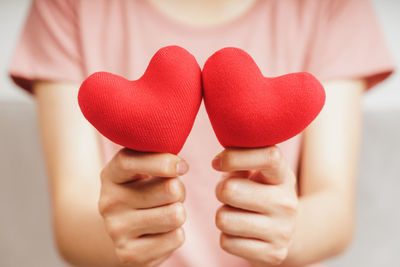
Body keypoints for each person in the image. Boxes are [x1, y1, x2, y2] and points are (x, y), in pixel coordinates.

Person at [9, 0, 394, 266]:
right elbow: (71, 218)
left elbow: (336, 209)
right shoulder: (68, 6)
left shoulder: (330, 7)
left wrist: (288, 233)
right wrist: (118, 233)